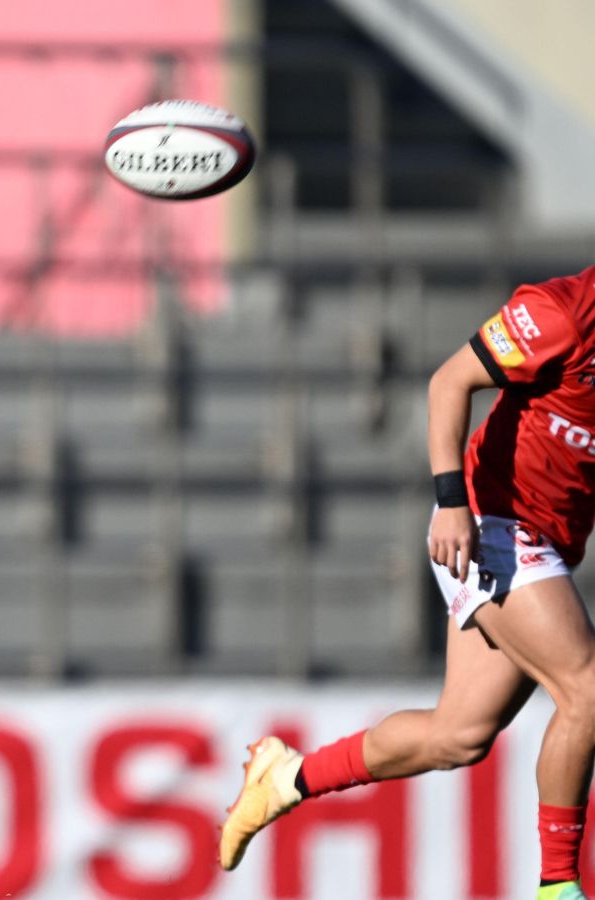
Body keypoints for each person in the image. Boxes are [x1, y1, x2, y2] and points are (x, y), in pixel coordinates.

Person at [219, 265, 595, 899]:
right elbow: (450, 380)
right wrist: (451, 501)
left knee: (459, 735)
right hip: (491, 519)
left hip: (549, 540)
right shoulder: (562, 314)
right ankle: (556, 886)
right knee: (588, 689)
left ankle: (285, 778)